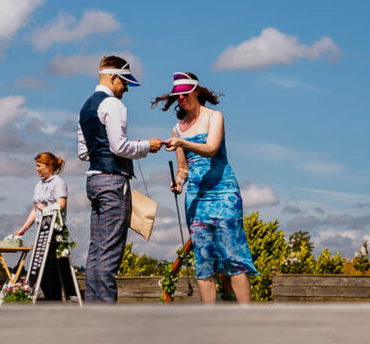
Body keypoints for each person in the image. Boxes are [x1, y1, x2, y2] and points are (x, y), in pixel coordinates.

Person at [156, 72, 257, 304]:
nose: (181, 98)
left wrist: (181, 142)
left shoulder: (215, 117)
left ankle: (248, 317)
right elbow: (183, 168)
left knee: (234, 257)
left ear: (196, 91)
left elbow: (211, 148)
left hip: (224, 194)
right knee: (203, 260)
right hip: (196, 198)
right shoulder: (177, 129)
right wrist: (179, 182)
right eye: (177, 95)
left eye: (185, 93)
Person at [76, 55, 163, 303]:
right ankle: (106, 316)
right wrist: (147, 146)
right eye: (124, 82)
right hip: (113, 182)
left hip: (93, 181)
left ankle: (92, 308)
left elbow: (84, 152)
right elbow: (119, 147)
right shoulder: (114, 105)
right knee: (110, 254)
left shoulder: (85, 107)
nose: (125, 88)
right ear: (113, 77)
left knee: (96, 251)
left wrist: (120, 146)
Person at [12, 152, 78, 303]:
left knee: (52, 268)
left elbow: (61, 204)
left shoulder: (58, 182)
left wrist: (45, 209)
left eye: (39, 166)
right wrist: (23, 229)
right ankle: (49, 298)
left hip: (55, 231)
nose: (36, 169)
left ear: (49, 166)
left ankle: (55, 300)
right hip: (42, 231)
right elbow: (35, 209)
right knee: (41, 267)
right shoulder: (39, 185)